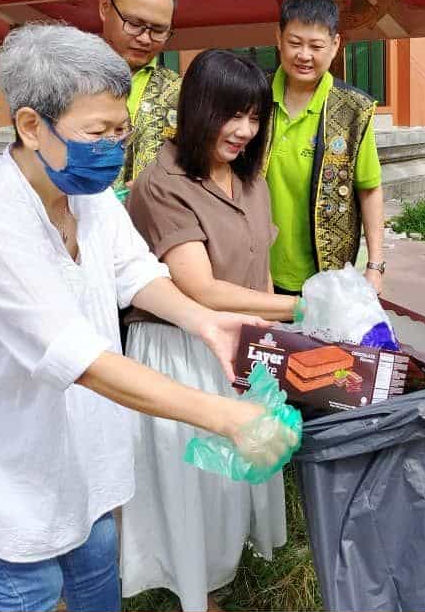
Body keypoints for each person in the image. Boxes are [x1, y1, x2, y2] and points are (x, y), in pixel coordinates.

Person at [0, 25, 295, 612]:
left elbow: (136, 273)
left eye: (120, 129)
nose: (113, 147)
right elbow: (80, 360)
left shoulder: (87, 195)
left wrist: (209, 324)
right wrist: (227, 416)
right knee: (31, 588)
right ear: (30, 126)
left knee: (96, 559)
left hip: (65, 430)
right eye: (96, 132)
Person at [121, 50, 297, 611]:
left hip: (241, 341)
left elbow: (260, 270)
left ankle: (226, 559)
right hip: (180, 345)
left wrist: (273, 321)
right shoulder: (161, 183)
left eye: (254, 117)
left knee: (239, 459)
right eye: (232, 115)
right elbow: (199, 286)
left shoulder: (249, 177)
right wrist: (299, 307)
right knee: (191, 469)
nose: (245, 131)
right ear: (198, 109)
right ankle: (189, 579)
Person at [265, 0, 386, 296]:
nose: (304, 55)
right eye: (295, 43)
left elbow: (369, 189)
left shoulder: (354, 109)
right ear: (278, 38)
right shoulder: (254, 96)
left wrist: (375, 266)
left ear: (335, 46)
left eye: (316, 46)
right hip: (258, 270)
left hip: (329, 275)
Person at [99, 0, 181, 186]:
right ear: (105, 7)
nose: (145, 38)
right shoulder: (66, 80)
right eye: (134, 24)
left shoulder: (181, 92)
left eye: (159, 30)